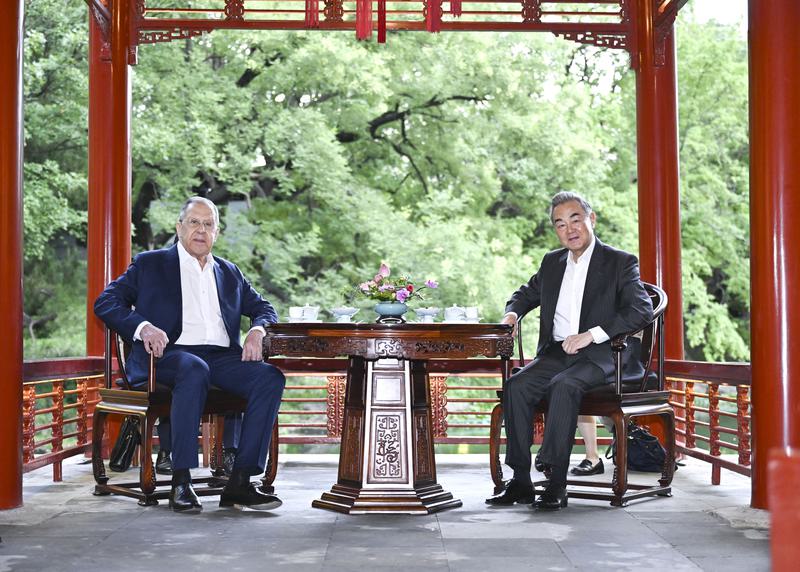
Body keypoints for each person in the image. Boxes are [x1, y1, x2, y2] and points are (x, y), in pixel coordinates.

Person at [95, 196, 286, 513]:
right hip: (168, 356)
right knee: (193, 368)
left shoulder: (230, 272)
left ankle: (240, 481)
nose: (201, 230)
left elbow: (265, 308)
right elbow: (106, 303)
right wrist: (144, 328)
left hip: (221, 358)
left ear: (217, 233)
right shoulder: (151, 264)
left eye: (208, 224)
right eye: (194, 222)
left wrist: (257, 330)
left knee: (270, 378)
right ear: (179, 227)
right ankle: (181, 480)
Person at [486, 191, 652, 510]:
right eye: (560, 224)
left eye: (575, 219)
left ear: (592, 219)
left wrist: (591, 335)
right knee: (517, 386)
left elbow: (641, 310)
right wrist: (512, 314)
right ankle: (520, 480)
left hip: (606, 354)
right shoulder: (552, 262)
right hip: (559, 352)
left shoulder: (620, 262)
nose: (569, 229)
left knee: (564, 385)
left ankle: (555, 482)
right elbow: (526, 293)